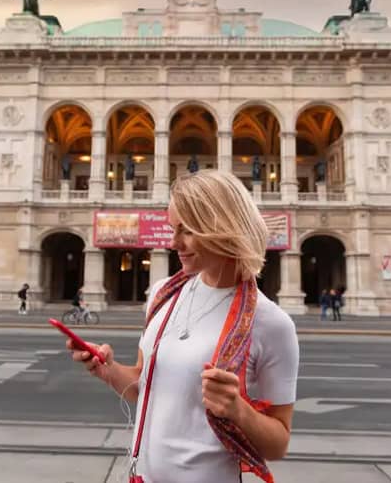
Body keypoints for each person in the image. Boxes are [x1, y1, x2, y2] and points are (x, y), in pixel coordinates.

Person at [66, 170, 299, 483]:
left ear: (223, 227)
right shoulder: (163, 295)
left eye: (186, 231)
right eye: (172, 228)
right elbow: (142, 385)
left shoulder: (271, 324)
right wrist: (107, 370)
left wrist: (238, 409)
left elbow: (279, 443)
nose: (173, 242)